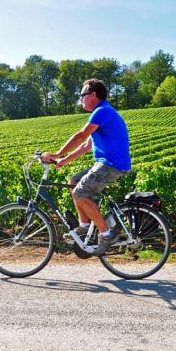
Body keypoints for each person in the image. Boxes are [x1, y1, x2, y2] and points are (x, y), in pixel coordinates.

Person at [41, 78, 131, 255]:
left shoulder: (102, 111)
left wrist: (57, 153)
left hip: (112, 165)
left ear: (94, 95)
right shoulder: (102, 113)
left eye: (83, 94)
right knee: (73, 181)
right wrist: (63, 161)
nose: (81, 98)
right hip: (106, 163)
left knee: (80, 193)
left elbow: (80, 136)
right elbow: (86, 145)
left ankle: (107, 234)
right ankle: (84, 225)